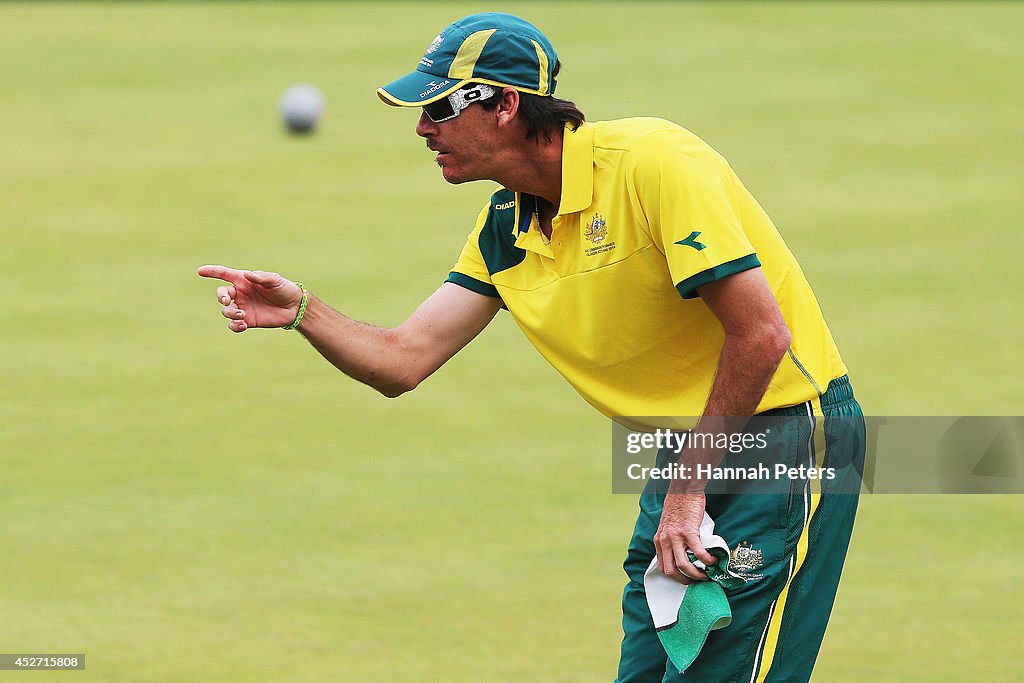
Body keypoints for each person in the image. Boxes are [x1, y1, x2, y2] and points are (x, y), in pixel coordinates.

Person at [198, 12, 864, 683]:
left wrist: (686, 490)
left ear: (505, 105)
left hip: (783, 439)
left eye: (439, 107)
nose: (423, 128)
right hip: (688, 450)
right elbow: (403, 359)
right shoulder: (505, 226)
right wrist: (302, 311)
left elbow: (763, 335)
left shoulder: (654, 164)